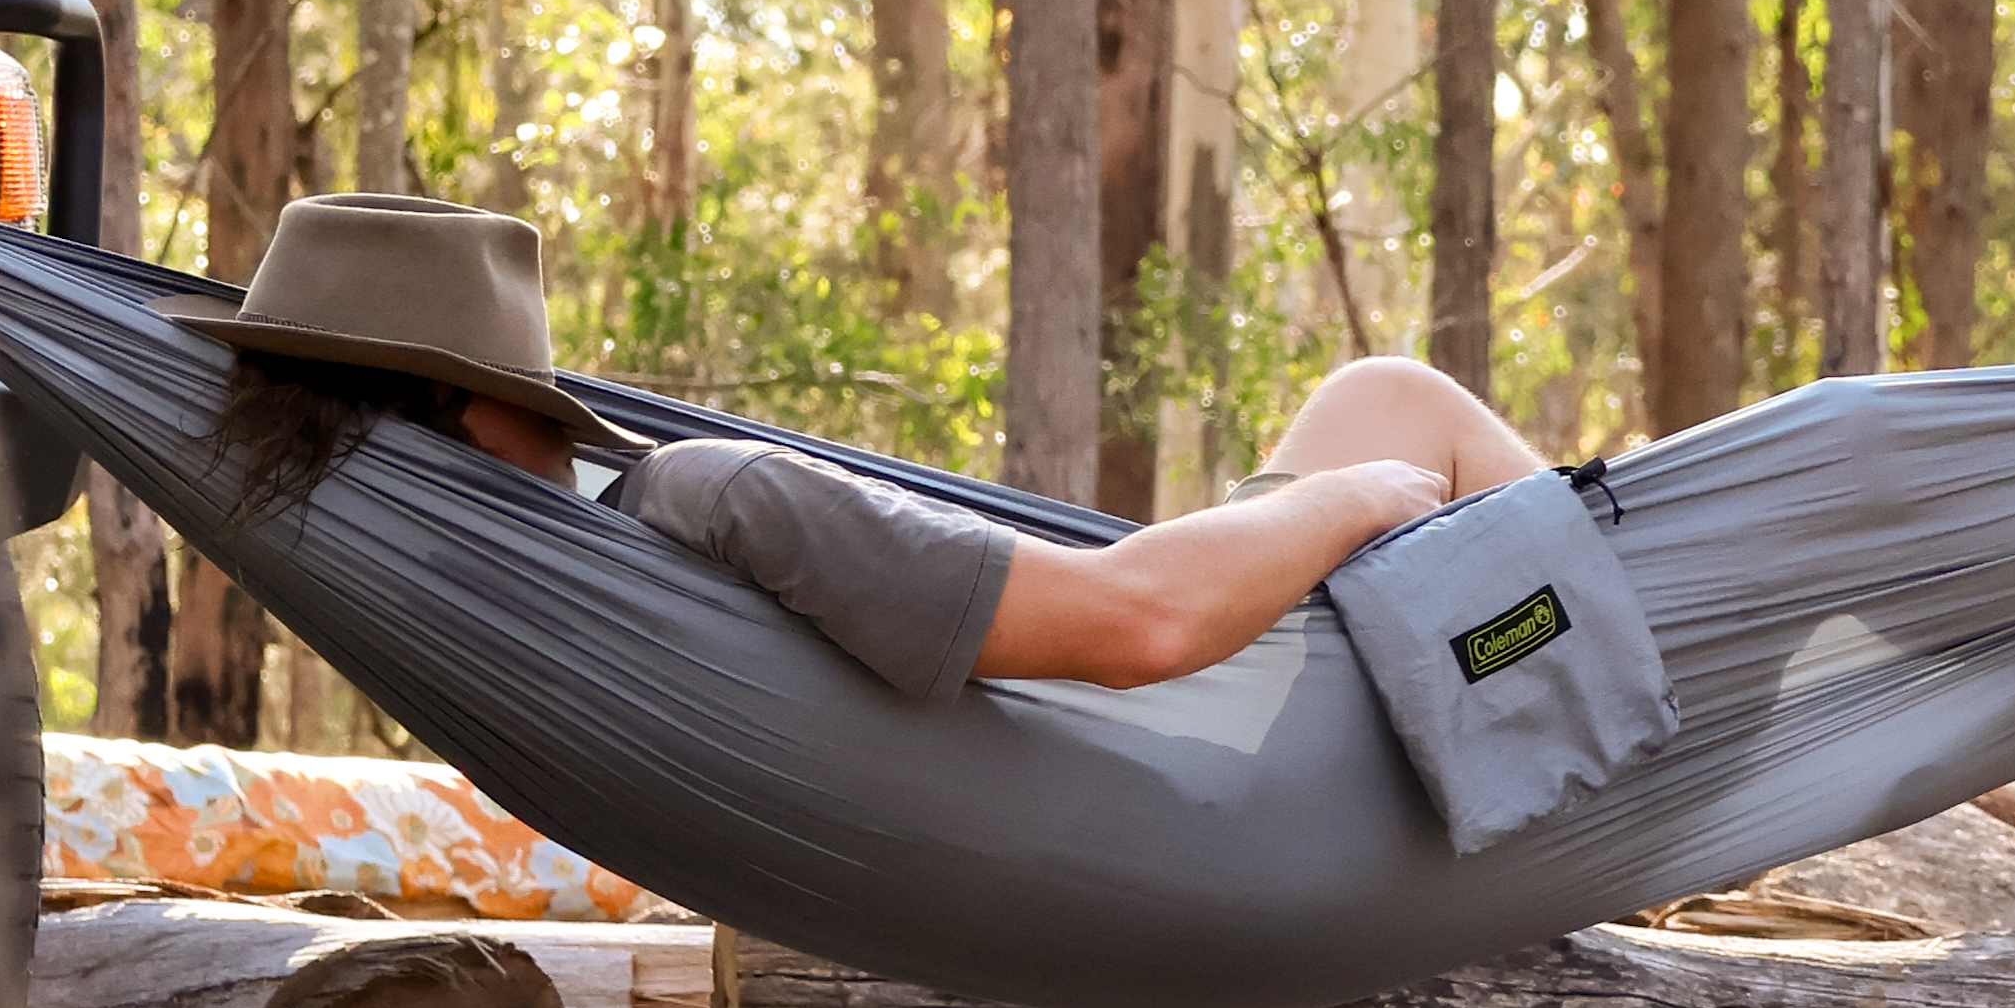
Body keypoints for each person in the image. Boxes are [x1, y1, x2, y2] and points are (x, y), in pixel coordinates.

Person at [179, 194, 1552, 704]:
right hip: (1222, 739)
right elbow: (1142, 625)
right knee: (1400, 411)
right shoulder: (705, 496)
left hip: (1177, 730)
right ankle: (1640, 723)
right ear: (486, 401)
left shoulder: (541, 622)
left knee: (1381, 402)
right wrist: (1360, 497)